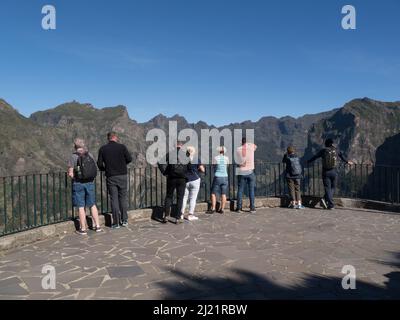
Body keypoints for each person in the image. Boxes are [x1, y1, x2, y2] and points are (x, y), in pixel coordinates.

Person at [97, 132, 132, 229]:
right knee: (123, 198)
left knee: (114, 199)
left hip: (111, 176)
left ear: (108, 138)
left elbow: (99, 164)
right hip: (122, 175)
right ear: (115, 137)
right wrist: (122, 164)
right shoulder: (122, 147)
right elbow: (129, 159)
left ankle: (116, 223)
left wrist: (106, 169)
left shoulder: (103, 149)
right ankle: (124, 220)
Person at [68, 138, 103, 235]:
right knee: (92, 204)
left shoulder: (73, 157)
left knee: (81, 206)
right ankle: (98, 226)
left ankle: (83, 229)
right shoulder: (89, 155)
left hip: (78, 183)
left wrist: (74, 176)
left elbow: (71, 173)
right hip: (90, 182)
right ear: (83, 145)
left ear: (75, 146)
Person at [307, 138, 353, 210]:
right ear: (332, 144)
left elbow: (315, 156)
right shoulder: (336, 150)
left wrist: (308, 161)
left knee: (327, 188)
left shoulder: (323, 150)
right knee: (333, 187)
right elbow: (342, 157)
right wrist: (348, 162)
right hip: (334, 171)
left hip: (325, 172)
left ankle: (330, 204)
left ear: (326, 144)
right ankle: (326, 200)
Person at [159, 142, 188, 224]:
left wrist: (164, 173)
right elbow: (189, 167)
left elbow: (160, 162)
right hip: (182, 179)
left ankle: (166, 216)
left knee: (169, 196)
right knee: (180, 198)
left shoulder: (170, 154)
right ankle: (177, 218)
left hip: (171, 178)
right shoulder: (186, 154)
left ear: (175, 146)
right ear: (182, 146)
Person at [181, 146, 205, 221]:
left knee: (184, 198)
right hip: (195, 179)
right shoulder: (196, 159)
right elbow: (203, 170)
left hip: (186, 180)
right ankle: (190, 215)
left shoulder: (184, 159)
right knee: (193, 198)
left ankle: (181, 214)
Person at [235, 137, 257, 213]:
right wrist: (248, 143)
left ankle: (239, 208)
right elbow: (255, 146)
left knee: (240, 190)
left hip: (241, 171)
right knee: (251, 190)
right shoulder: (251, 147)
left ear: (241, 142)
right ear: (246, 142)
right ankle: (252, 208)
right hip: (250, 171)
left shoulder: (238, 149)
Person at [207, 146, 229, 214]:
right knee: (224, 193)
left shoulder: (216, 158)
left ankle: (213, 208)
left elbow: (214, 166)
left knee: (213, 193)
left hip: (217, 176)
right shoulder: (227, 158)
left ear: (218, 151)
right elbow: (227, 166)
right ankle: (222, 209)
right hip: (225, 177)